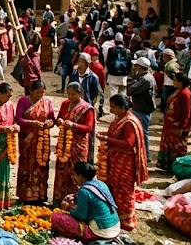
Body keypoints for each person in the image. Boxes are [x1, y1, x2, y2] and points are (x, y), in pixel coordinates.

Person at [97, 94, 148, 231]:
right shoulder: (120, 118)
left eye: (114, 107)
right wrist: (106, 135)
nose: (111, 109)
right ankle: (114, 216)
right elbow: (115, 134)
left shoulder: (129, 122)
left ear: (122, 108)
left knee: (123, 189)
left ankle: (126, 220)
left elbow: (128, 143)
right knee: (113, 186)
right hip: (115, 159)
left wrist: (108, 140)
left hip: (124, 162)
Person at [51, 161, 121, 242]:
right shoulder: (101, 184)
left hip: (100, 233)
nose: (74, 178)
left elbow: (81, 216)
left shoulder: (84, 191)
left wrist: (69, 209)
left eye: (75, 175)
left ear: (80, 176)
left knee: (56, 218)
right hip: (115, 227)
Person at [52, 83, 96, 202]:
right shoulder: (65, 104)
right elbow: (59, 119)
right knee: (62, 171)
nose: (70, 97)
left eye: (73, 94)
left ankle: (76, 201)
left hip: (78, 144)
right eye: (69, 94)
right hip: (64, 142)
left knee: (76, 172)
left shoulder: (87, 108)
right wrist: (59, 121)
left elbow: (88, 127)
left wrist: (74, 125)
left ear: (80, 94)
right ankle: (59, 200)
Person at [15, 80, 56, 205]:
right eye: (37, 92)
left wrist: (50, 123)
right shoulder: (23, 101)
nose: (40, 96)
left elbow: (52, 118)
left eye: (42, 93)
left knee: (41, 165)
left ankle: (40, 195)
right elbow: (18, 118)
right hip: (27, 139)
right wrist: (32, 123)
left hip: (42, 139)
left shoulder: (47, 102)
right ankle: (26, 195)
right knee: (27, 165)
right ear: (31, 91)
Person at [157, 72, 191, 170]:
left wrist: (181, 126)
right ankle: (168, 166)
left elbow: (187, 112)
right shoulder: (178, 91)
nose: (173, 82)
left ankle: (178, 167)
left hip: (178, 126)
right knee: (169, 145)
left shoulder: (185, 93)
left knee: (177, 147)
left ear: (180, 82)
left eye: (175, 80)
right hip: (170, 124)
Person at [125, 56, 156, 161]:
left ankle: (146, 155)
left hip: (142, 108)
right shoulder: (143, 76)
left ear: (140, 66)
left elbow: (131, 90)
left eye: (136, 65)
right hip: (140, 107)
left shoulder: (145, 79)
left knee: (142, 132)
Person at [105, 33, 132, 107]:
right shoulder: (127, 51)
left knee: (113, 93)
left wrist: (108, 72)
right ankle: (122, 108)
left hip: (112, 75)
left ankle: (114, 108)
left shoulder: (111, 50)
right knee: (122, 93)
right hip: (123, 76)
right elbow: (129, 64)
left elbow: (108, 62)